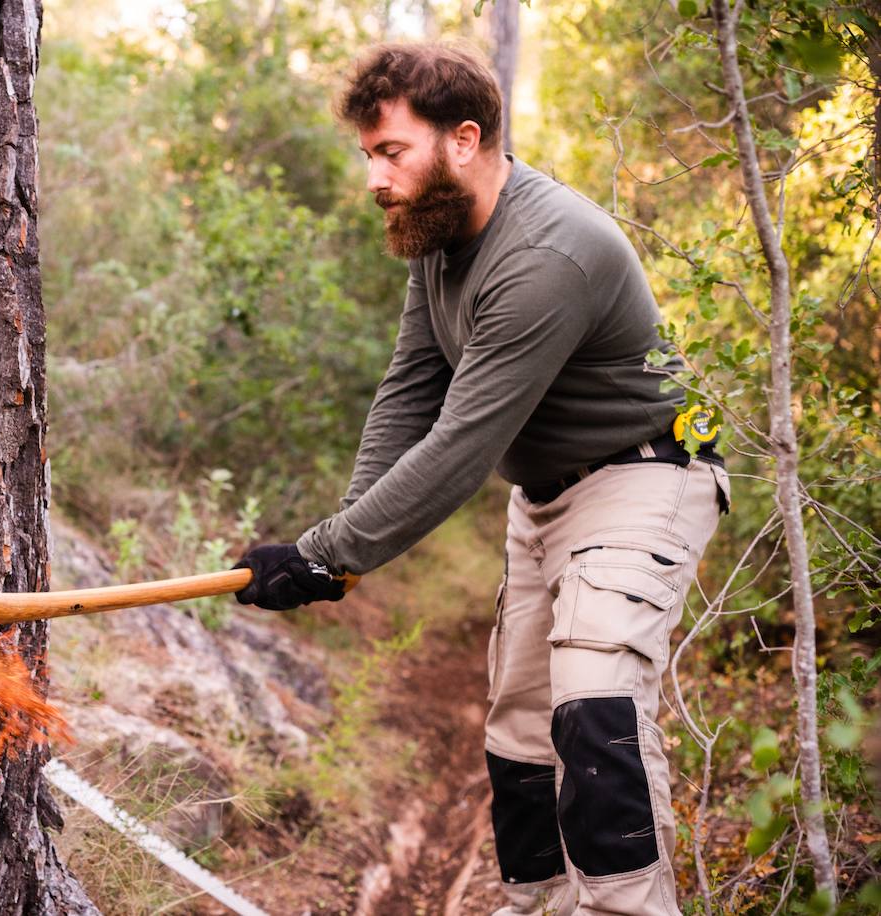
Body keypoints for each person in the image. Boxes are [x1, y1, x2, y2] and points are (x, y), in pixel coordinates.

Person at [231, 42, 730, 915]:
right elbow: (412, 387)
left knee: (594, 703)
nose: (376, 178)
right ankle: (535, 901)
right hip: (544, 496)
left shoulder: (549, 255)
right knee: (521, 722)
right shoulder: (443, 232)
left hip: (643, 481)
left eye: (391, 152)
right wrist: (340, 549)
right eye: (369, 157)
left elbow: (462, 444)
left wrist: (324, 551)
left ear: (463, 140)